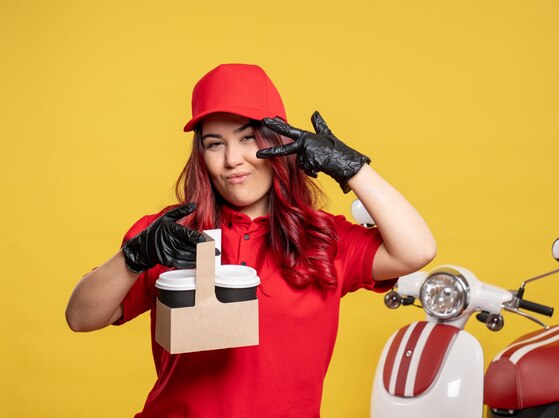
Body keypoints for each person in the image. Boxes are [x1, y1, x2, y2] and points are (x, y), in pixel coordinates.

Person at [65, 63, 436, 418]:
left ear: (280, 142)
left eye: (247, 138)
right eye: (214, 144)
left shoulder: (324, 238)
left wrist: (351, 168)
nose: (232, 160)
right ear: (201, 154)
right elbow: (80, 318)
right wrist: (134, 256)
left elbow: (417, 250)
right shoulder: (170, 235)